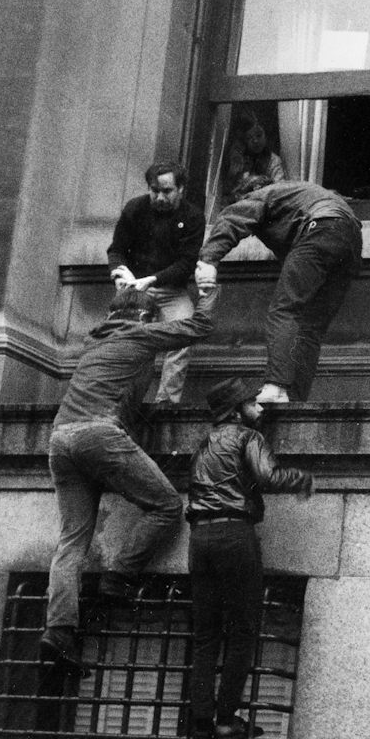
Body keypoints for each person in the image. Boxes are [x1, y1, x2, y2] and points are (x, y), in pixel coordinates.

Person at [41, 281, 218, 673]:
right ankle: (119, 578)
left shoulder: (93, 342)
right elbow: (200, 327)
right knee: (167, 505)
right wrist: (207, 289)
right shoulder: (141, 332)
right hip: (97, 434)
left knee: (71, 543)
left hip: (60, 439)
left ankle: (58, 633)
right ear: (142, 316)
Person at [183, 376, 314, 739]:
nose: (260, 408)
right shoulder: (248, 438)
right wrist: (301, 480)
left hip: (200, 539)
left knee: (206, 635)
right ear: (236, 409)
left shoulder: (203, 444)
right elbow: (267, 475)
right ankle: (226, 720)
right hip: (234, 536)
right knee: (242, 630)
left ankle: (200, 723)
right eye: (252, 403)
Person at [194, 179, 362, 403]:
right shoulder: (296, 197)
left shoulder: (263, 194)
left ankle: (276, 386)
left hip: (322, 228)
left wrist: (208, 260)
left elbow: (231, 218)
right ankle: (295, 398)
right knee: (309, 328)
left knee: (283, 311)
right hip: (351, 239)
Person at [106, 161, 205, 404]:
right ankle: (122, 402)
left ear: (181, 189)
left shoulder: (193, 217)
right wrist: (119, 274)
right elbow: (116, 250)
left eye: (167, 191)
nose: (160, 197)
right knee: (122, 341)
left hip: (171, 290)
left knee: (184, 331)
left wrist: (152, 280)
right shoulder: (135, 209)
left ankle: (166, 403)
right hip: (134, 289)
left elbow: (186, 264)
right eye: (154, 190)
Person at [223, 114, 286, 200]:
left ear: (266, 135)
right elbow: (228, 188)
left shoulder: (273, 160)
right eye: (249, 137)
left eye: (259, 135)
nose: (255, 141)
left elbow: (280, 186)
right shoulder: (238, 159)